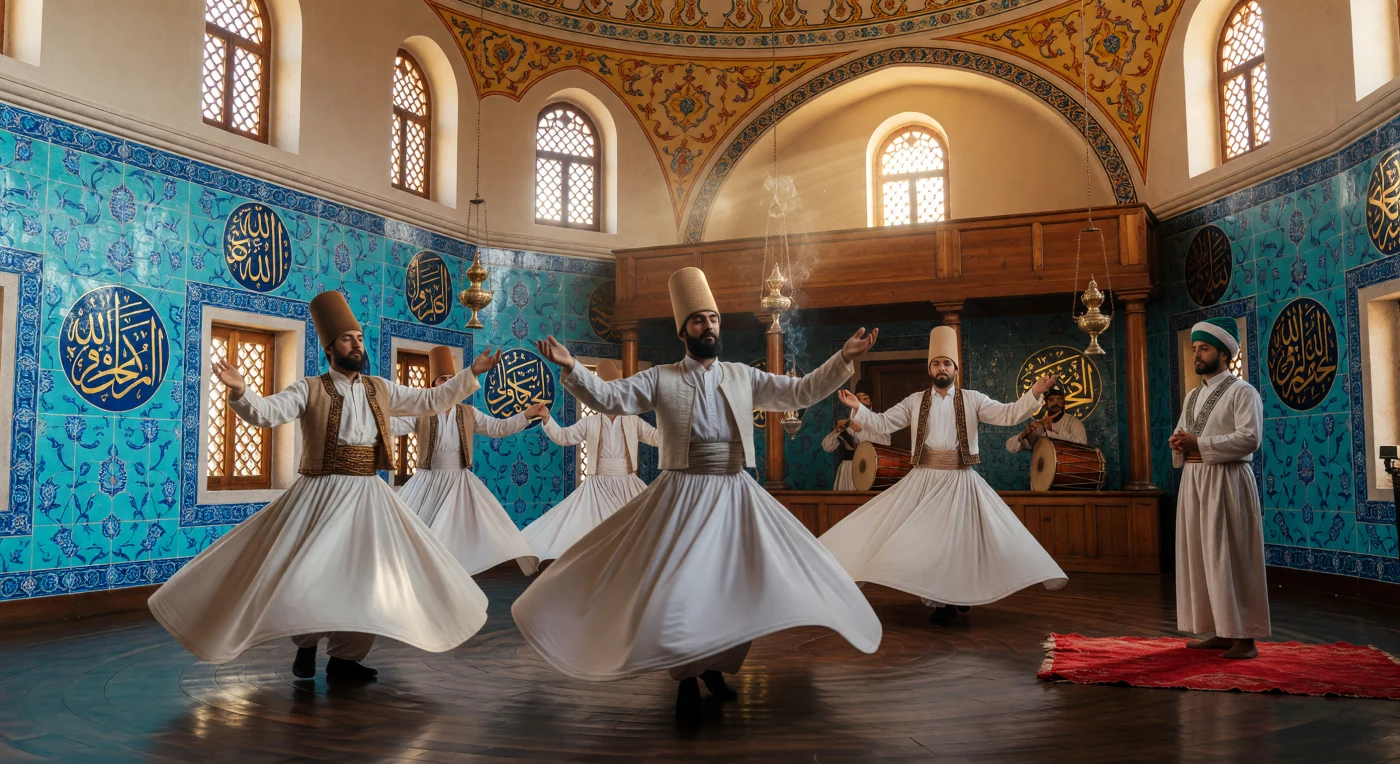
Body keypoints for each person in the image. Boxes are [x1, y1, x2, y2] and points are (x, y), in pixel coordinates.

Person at [513, 267, 883, 721]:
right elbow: (610, 398)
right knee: (682, 588)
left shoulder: (744, 376)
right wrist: (572, 369)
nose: (708, 326)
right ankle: (686, 678)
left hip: (734, 493)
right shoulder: (661, 378)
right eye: (698, 320)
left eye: (713, 318)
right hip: (682, 493)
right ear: (683, 331)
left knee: (732, 586)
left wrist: (844, 358)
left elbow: (801, 391)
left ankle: (713, 667)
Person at [148, 291, 498, 680]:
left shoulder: (381, 388)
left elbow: (432, 399)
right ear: (330, 349)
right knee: (310, 572)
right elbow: (265, 414)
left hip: (368, 494)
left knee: (368, 576)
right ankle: (306, 645)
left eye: (360, 338)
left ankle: (345, 660)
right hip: (320, 492)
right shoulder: (308, 388)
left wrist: (473, 374)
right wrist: (240, 390)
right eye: (348, 339)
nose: (357, 345)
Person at [819, 325, 1068, 625]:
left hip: (960, 479)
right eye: (936, 363)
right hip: (923, 479)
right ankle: (942, 602)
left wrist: (1035, 394)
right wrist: (858, 407)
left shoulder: (973, 399)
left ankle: (958, 594)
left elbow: (1007, 414)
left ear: (955, 369)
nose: (941, 368)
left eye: (946, 363)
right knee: (930, 543)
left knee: (959, 543)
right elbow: (883, 423)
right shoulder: (915, 400)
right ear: (930, 369)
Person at [391, 346, 544, 577]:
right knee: (419, 539)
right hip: (428, 482)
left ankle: (453, 586)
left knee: (456, 541)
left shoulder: (468, 412)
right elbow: (392, 426)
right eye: (442, 379)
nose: (447, 383)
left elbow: (498, 428)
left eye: (451, 379)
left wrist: (526, 415)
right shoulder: (421, 410)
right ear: (433, 385)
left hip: (459, 483)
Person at [1169, 317, 1269, 659]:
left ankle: (1246, 638)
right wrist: (1179, 443)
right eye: (1195, 348)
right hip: (1195, 482)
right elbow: (1186, 434)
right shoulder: (1193, 395)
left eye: (1204, 348)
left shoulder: (1243, 392)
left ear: (1224, 354)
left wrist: (1200, 442)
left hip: (1228, 482)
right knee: (1204, 557)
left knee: (1232, 556)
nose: (1197, 354)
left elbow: (1250, 438)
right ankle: (1222, 631)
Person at [524, 359, 659, 563]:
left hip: (628, 484)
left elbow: (657, 438)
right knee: (595, 533)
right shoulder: (590, 422)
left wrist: (680, 430)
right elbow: (563, 437)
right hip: (598, 486)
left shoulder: (633, 420)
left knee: (644, 527)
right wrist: (546, 418)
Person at [821, 382, 890, 490]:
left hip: (869, 468)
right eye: (858, 398)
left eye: (865, 399)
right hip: (848, 469)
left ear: (871, 401)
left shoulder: (879, 422)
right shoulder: (847, 422)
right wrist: (837, 431)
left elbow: (886, 444)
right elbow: (827, 447)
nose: (862, 402)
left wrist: (860, 430)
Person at [1004, 383, 1087, 453]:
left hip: (1066, 469)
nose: (1056, 403)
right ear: (1046, 403)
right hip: (1042, 471)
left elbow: (1083, 444)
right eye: (1051, 400)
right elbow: (1010, 447)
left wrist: (1051, 432)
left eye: (1059, 400)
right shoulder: (1039, 426)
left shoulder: (1074, 422)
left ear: (1064, 402)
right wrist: (1025, 433)